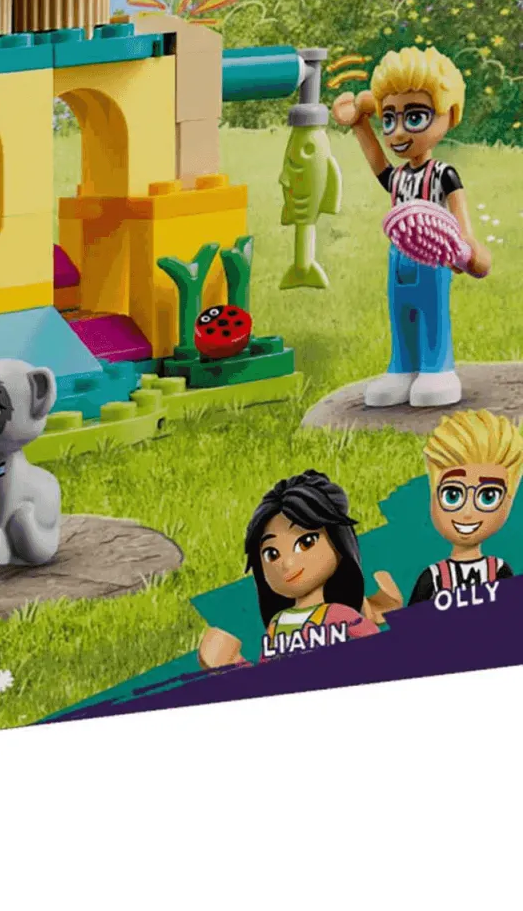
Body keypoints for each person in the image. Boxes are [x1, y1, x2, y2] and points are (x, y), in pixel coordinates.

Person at [333, 47, 489, 409]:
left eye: (415, 117)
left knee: (432, 311)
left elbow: (461, 218)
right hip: (398, 256)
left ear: (449, 114)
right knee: (401, 312)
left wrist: (467, 249)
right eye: (389, 119)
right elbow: (377, 162)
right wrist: (359, 124)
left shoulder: (443, 174)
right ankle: (402, 368)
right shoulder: (400, 176)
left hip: (434, 256)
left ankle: (437, 368)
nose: (398, 132)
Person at [199, 470, 399, 667]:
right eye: (272, 554)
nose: (287, 564)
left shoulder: (337, 615)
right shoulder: (277, 624)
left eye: (306, 543)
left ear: (338, 544)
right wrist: (235, 663)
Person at [409, 410, 521, 605]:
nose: (468, 513)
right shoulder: (433, 577)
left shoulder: (499, 571)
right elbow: (413, 622)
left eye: (488, 497)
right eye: (452, 495)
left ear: (508, 501)